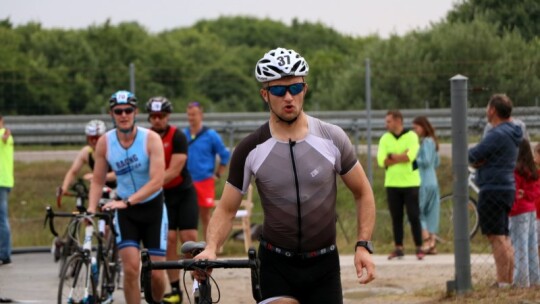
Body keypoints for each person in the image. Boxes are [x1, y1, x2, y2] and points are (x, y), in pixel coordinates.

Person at [194, 47, 376, 304]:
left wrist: (363, 245)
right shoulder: (250, 148)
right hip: (275, 264)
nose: (288, 97)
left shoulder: (332, 137)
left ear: (305, 89)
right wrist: (211, 248)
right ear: (265, 94)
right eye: (279, 90)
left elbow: (363, 191)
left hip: (324, 264)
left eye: (296, 88)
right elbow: (226, 209)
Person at [87, 90, 168, 304]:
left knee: (157, 273)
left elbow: (157, 181)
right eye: (118, 111)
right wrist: (90, 209)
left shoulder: (150, 139)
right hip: (126, 213)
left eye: (128, 110)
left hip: (153, 209)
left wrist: (128, 201)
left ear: (136, 112)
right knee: (131, 270)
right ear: (112, 113)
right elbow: (97, 180)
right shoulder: (105, 142)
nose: (123, 115)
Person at [146, 96, 199, 304]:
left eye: (161, 116)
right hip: (162, 195)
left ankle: (197, 282)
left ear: (167, 116)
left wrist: (149, 185)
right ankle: (176, 290)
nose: (157, 120)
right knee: (168, 239)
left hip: (183, 192)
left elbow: (175, 169)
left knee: (189, 236)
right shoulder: (146, 136)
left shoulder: (177, 136)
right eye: (154, 116)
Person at [469, 93, 522, 289]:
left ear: (492, 110)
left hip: (493, 188)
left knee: (496, 236)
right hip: (506, 186)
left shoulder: (497, 134)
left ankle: (503, 282)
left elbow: (473, 155)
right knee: (504, 235)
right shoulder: (513, 132)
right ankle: (507, 280)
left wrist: (482, 160)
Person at [377, 110, 424, 260]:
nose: (386, 124)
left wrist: (392, 156)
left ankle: (419, 247)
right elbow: (381, 160)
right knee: (396, 216)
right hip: (392, 183)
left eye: (388, 121)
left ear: (398, 121)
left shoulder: (412, 136)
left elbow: (410, 157)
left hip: (411, 183)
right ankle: (399, 247)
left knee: (414, 215)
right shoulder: (385, 138)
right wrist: (400, 156)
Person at [183, 102, 230, 240]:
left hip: (204, 179)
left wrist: (218, 174)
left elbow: (225, 154)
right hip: (187, 181)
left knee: (205, 215)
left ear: (201, 115)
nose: (192, 118)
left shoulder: (211, 135)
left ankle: (209, 245)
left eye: (194, 114)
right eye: (189, 115)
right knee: (189, 216)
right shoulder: (184, 134)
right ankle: (192, 247)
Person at [58, 120, 116, 204]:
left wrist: (96, 177)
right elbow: (73, 171)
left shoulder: (113, 151)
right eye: (91, 138)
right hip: (100, 189)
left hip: (118, 189)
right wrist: (64, 188)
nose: (93, 141)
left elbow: (118, 174)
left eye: (97, 138)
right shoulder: (86, 152)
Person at [509, 138, 540, 288]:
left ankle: (521, 281)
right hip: (531, 211)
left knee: (519, 247)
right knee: (532, 246)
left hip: (519, 212)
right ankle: (535, 279)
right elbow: (536, 190)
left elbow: (513, 192)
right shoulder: (533, 170)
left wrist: (511, 210)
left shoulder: (516, 171)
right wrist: (527, 194)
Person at [412, 116, 440, 255]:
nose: (414, 131)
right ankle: (432, 243)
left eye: (416, 127)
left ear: (423, 127)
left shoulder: (426, 142)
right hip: (433, 180)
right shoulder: (433, 142)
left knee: (418, 212)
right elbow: (436, 162)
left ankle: (427, 240)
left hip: (423, 181)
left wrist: (413, 160)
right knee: (432, 213)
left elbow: (427, 161)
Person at [0, 115, 14, 266]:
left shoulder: (4, 134)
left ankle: (4, 254)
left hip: (1, 182)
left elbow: (5, 138)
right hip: (5, 181)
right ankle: (4, 252)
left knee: (2, 219)